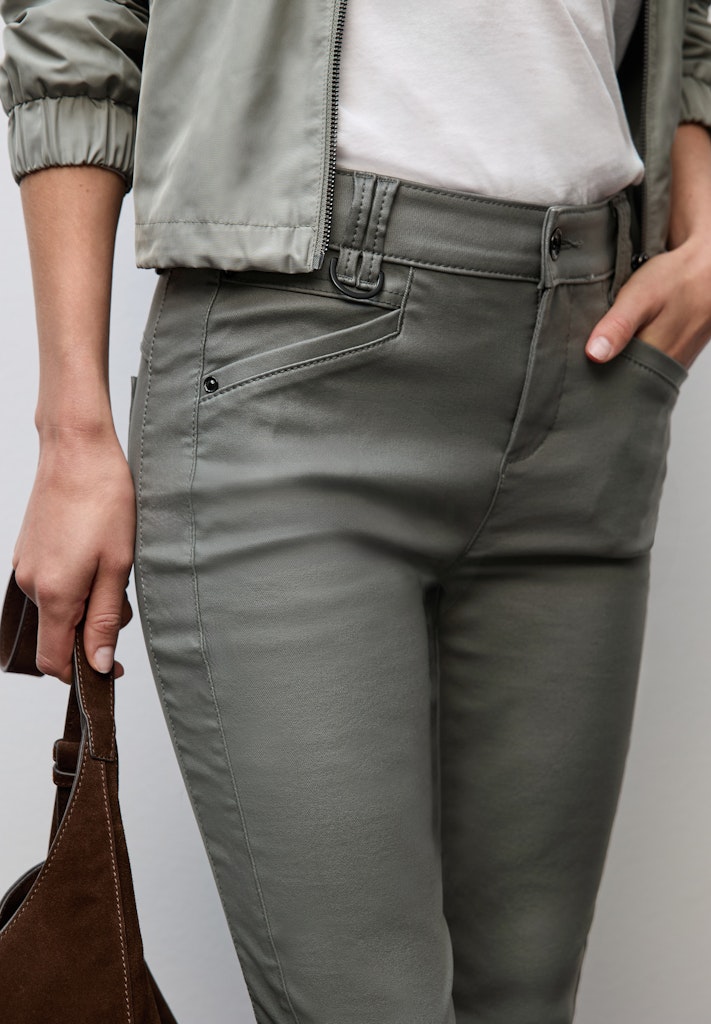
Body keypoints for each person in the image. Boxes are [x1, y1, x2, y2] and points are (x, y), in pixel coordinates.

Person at [1, 2, 710, 1022]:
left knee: (522, 1004)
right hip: (296, 364)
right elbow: (77, 19)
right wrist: (72, 426)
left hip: (588, 365)